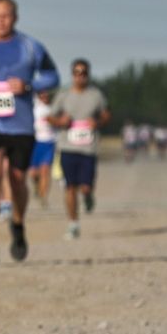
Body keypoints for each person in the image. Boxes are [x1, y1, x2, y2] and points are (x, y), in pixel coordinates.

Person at [0, 0, 60, 263]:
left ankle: (18, 226)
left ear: (15, 18)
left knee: (17, 180)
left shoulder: (31, 47)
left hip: (20, 125)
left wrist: (29, 86)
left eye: (6, 15)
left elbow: (53, 76)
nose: (1, 20)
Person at [48, 59, 110, 239]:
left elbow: (107, 114)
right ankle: (73, 223)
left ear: (88, 75)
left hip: (88, 149)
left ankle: (88, 196)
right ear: (72, 74)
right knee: (70, 187)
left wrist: (97, 122)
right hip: (67, 146)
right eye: (77, 72)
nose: (80, 76)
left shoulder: (96, 95)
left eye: (83, 73)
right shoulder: (64, 95)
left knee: (85, 187)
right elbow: (50, 117)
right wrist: (60, 122)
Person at [28, 90, 57, 208]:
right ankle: (36, 185)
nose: (45, 96)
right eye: (42, 93)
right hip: (35, 142)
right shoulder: (33, 107)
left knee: (45, 170)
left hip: (49, 143)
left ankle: (43, 197)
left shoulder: (54, 108)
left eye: (47, 93)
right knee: (33, 173)